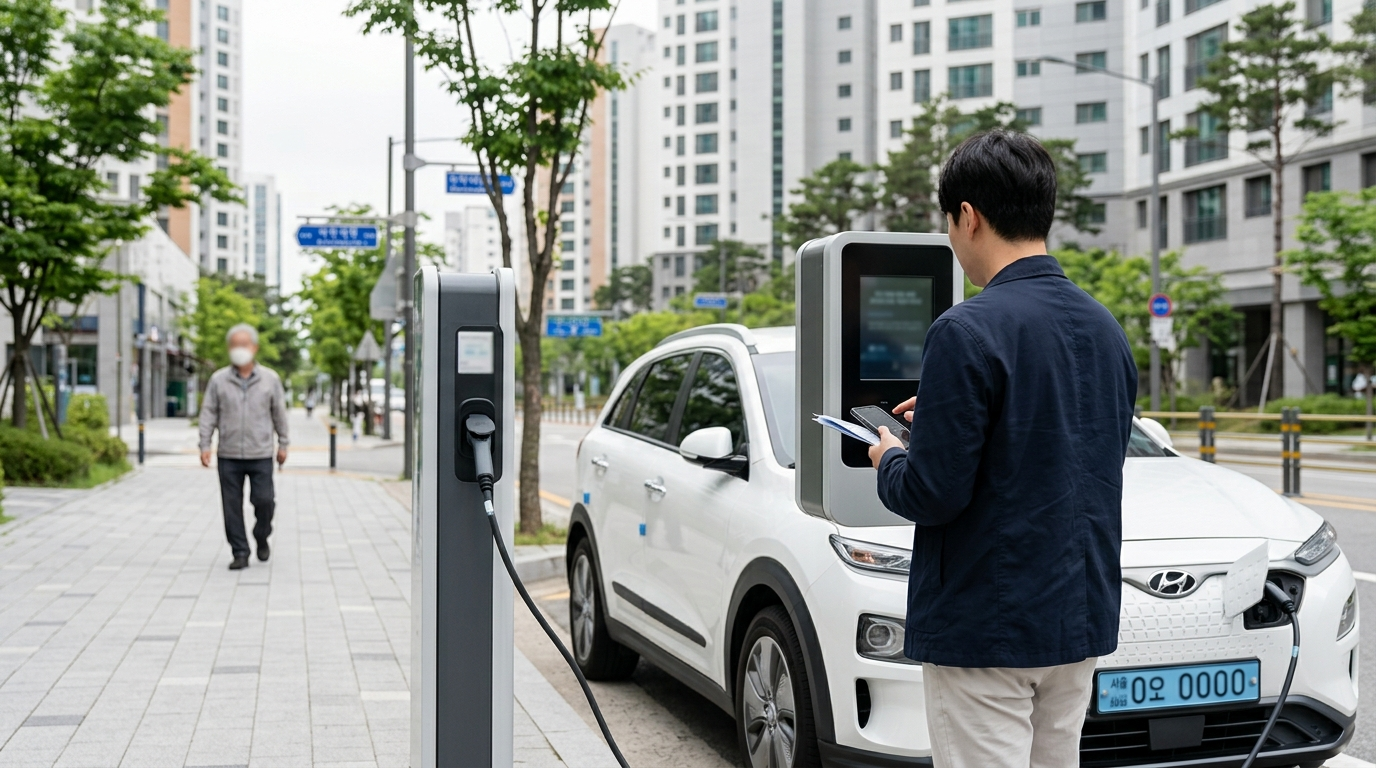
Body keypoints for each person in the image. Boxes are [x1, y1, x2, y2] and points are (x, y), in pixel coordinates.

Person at [866, 131, 1137, 768]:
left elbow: (932, 492)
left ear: (968, 216)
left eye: (951, 223)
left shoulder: (965, 328)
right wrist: (944, 418)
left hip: (987, 626)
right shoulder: (1105, 328)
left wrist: (889, 457)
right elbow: (1070, 453)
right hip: (1077, 618)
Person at [199, 323, 290, 570]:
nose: (239, 349)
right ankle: (240, 551)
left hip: (260, 453)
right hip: (228, 454)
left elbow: (279, 413)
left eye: (244, 344)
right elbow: (209, 413)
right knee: (231, 506)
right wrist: (205, 444)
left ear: (255, 347)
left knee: (265, 500)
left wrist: (283, 443)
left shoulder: (270, 379)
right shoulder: (218, 380)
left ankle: (262, 535)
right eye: (235, 345)